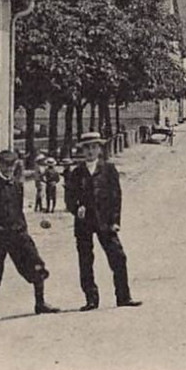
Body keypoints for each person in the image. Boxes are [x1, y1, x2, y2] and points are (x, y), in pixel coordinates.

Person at [0, 149, 60, 324]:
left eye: (12, 165)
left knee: (36, 264)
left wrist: (23, 230)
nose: (9, 169)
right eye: (5, 165)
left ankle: (40, 303)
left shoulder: (17, 186)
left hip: (18, 234)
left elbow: (19, 210)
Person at [64, 132, 141, 311]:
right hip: (84, 223)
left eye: (93, 147)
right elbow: (69, 198)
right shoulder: (76, 173)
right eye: (87, 148)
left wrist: (115, 221)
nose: (90, 151)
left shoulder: (108, 170)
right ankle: (91, 299)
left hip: (105, 221)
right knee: (85, 260)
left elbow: (116, 197)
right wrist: (77, 209)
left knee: (118, 258)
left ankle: (123, 296)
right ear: (82, 150)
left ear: (99, 149)